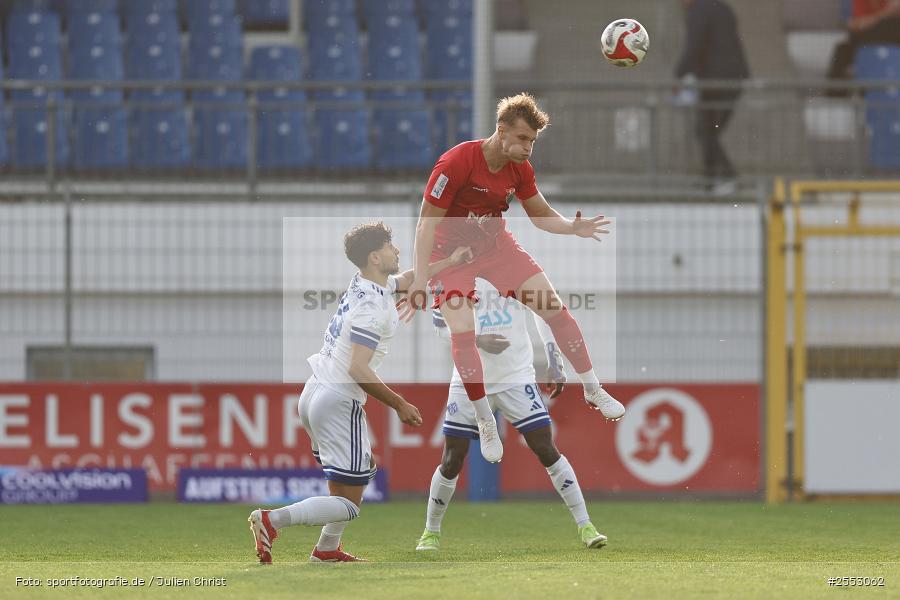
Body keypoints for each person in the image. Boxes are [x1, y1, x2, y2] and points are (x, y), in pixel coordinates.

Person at [403, 92, 626, 467]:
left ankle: (592, 388)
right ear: (501, 131)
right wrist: (422, 278)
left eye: (533, 142)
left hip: (495, 247)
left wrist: (572, 227)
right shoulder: (456, 163)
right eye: (523, 139)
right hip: (451, 255)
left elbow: (539, 214)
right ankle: (485, 420)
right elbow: (426, 225)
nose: (528, 148)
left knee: (554, 307)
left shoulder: (519, 168)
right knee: (462, 329)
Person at [248, 222, 471, 564]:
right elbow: (358, 369)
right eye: (390, 246)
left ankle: (326, 550)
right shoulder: (372, 308)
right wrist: (400, 403)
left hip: (314, 391)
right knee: (350, 505)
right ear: (374, 256)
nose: (397, 251)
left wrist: (450, 260)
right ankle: (271, 520)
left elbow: (409, 279)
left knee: (356, 477)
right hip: (338, 397)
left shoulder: (367, 283)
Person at [411, 279, 610, 551]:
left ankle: (586, 526)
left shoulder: (510, 267)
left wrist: (554, 358)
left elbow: (543, 313)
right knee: (452, 458)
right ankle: (430, 532)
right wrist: (478, 340)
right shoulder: (451, 275)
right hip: (468, 379)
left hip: (516, 377)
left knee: (545, 448)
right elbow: (441, 329)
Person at [675, 0, 750, 187]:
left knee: (706, 131)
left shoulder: (697, 11)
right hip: (732, 77)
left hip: (715, 80)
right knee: (707, 131)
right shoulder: (722, 8)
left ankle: (726, 176)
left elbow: (694, 46)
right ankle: (711, 178)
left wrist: (678, 76)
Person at [827, 0, 900, 82]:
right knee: (842, 51)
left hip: (892, 42)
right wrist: (885, 13)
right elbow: (854, 25)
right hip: (866, 41)